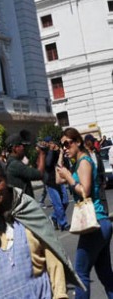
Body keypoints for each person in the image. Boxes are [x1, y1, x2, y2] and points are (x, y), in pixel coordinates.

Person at [0, 157, 82, 299]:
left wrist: (60, 294)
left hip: (39, 293)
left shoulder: (26, 205)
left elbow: (51, 253)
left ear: (6, 179)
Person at [56, 128, 113, 298]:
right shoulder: (75, 162)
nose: (65, 147)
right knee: (105, 273)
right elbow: (58, 179)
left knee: (80, 273)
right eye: (62, 145)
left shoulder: (84, 162)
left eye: (67, 143)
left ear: (78, 142)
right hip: (100, 224)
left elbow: (85, 191)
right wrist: (60, 156)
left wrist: (70, 177)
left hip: (95, 223)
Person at [5, 133, 46, 199]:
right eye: (22, 146)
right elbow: (39, 174)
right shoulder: (15, 165)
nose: (24, 148)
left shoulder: (12, 163)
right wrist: (42, 153)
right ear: (15, 148)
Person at [44, 137, 70, 231]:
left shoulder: (60, 152)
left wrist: (62, 153)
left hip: (60, 180)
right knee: (58, 204)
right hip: (51, 182)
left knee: (65, 202)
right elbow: (47, 164)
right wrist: (51, 150)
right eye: (50, 143)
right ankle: (63, 224)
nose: (53, 145)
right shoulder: (46, 152)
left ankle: (54, 217)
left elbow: (66, 163)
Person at [84, 134, 109, 214]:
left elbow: (101, 167)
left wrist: (104, 180)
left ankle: (105, 214)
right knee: (93, 200)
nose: (94, 142)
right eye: (92, 141)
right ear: (88, 142)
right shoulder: (84, 153)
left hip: (99, 180)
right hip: (90, 182)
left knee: (103, 199)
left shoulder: (96, 152)